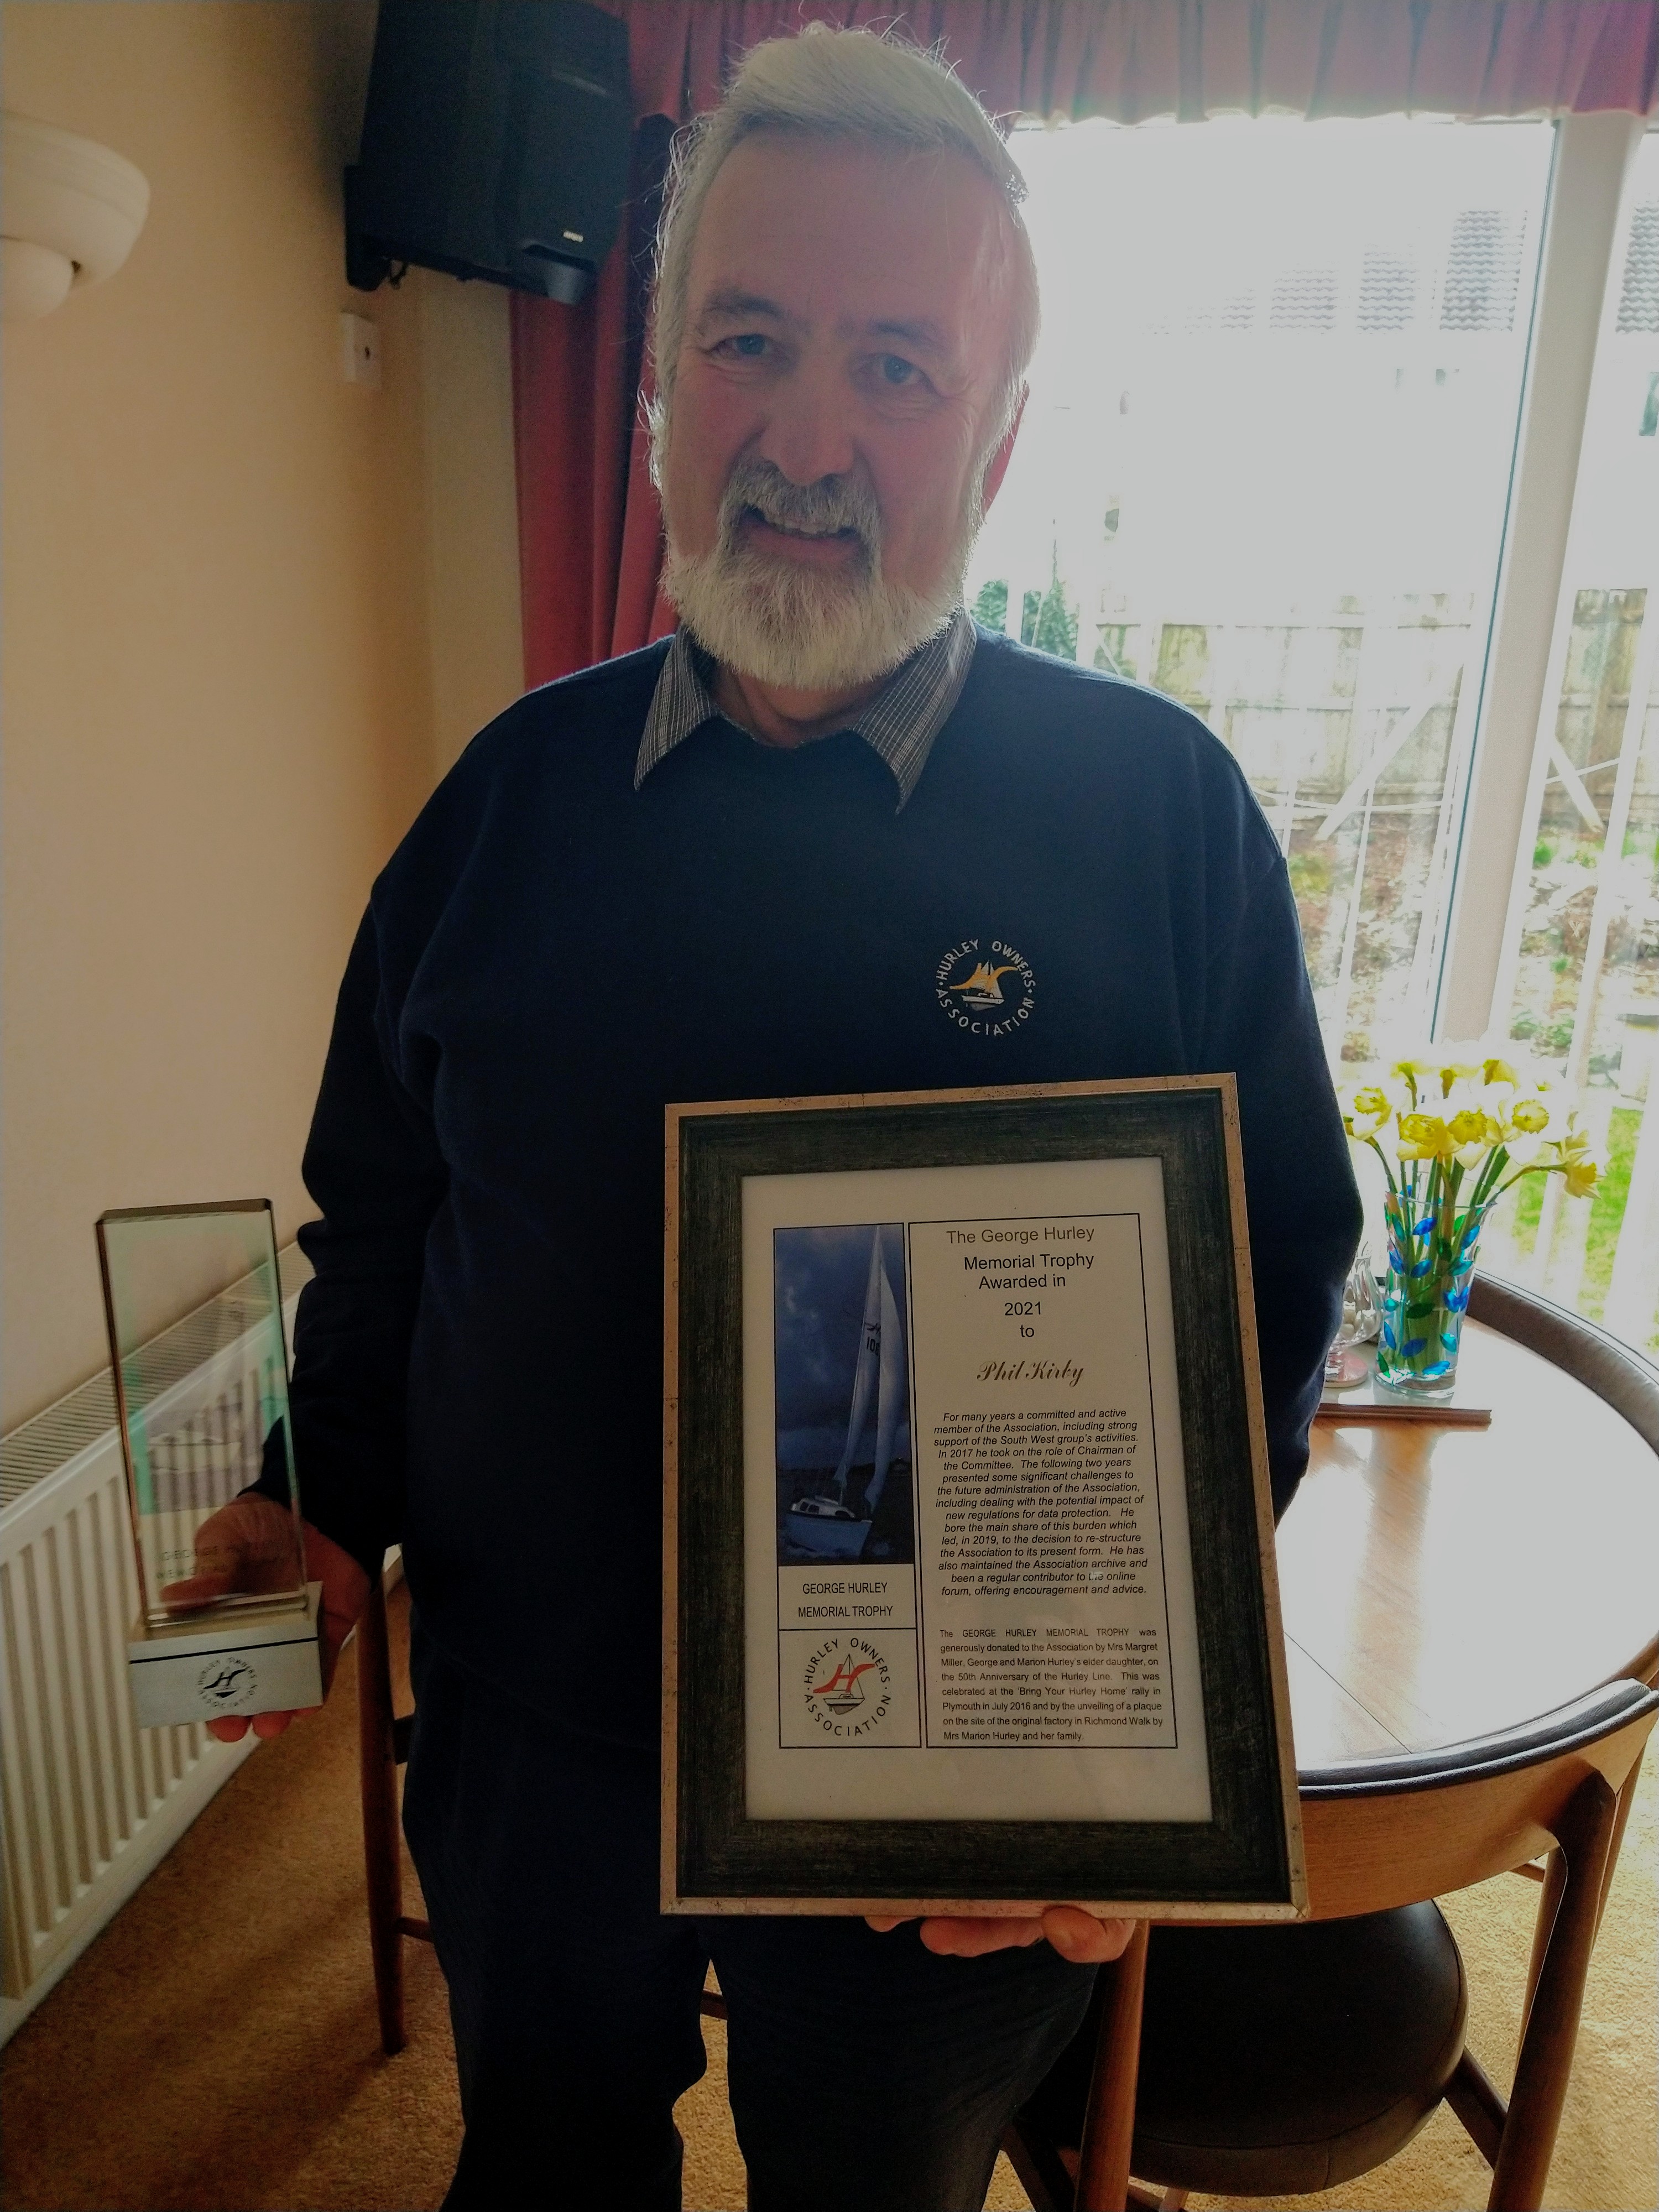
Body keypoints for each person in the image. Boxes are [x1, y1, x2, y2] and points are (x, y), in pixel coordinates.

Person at [196, 27, 1360, 2210]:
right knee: (547, 2165)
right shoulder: (501, 807)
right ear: (658, 391)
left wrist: (1147, 1718)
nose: (806, 438)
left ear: (999, 440)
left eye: (898, 367)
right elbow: (387, 1224)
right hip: (536, 1736)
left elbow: (1268, 1277)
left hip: (945, 1790)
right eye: (747, 341)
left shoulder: (1162, 819)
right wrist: (319, 1497)